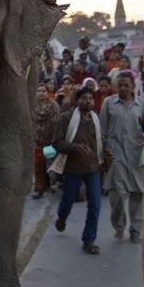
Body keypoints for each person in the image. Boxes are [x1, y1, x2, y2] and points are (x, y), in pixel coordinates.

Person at [100, 71, 144, 244]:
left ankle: (135, 230)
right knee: (118, 196)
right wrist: (103, 152)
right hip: (115, 155)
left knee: (137, 194)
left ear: (132, 87)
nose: (123, 88)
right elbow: (102, 131)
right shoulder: (109, 103)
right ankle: (119, 225)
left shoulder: (141, 105)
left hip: (137, 156)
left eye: (126, 85)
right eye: (120, 85)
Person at [51, 88, 104, 254]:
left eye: (90, 99)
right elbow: (57, 143)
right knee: (67, 200)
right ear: (77, 100)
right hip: (73, 168)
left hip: (93, 168)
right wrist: (74, 148)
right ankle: (62, 217)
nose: (87, 101)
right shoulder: (66, 118)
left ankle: (89, 240)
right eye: (84, 98)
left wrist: (106, 155)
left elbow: (99, 143)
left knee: (95, 204)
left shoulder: (96, 119)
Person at [32, 82, 60, 199]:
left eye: (43, 91)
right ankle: (39, 189)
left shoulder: (54, 106)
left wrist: (56, 138)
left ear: (48, 93)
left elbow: (57, 123)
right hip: (37, 141)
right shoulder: (32, 106)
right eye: (39, 91)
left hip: (50, 141)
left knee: (50, 164)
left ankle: (50, 184)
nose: (41, 93)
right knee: (39, 166)